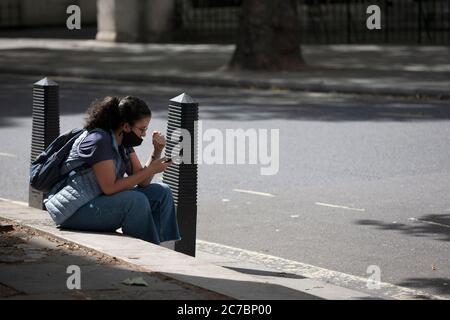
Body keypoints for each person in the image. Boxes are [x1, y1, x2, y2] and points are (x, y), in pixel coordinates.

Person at [43, 96, 181, 245]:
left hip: (97, 200)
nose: (144, 134)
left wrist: (157, 151)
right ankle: (148, 251)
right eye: (141, 129)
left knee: (161, 192)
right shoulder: (100, 141)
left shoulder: (123, 141)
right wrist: (151, 169)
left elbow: (143, 181)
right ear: (126, 126)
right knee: (135, 201)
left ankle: (160, 247)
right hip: (74, 210)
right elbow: (110, 188)